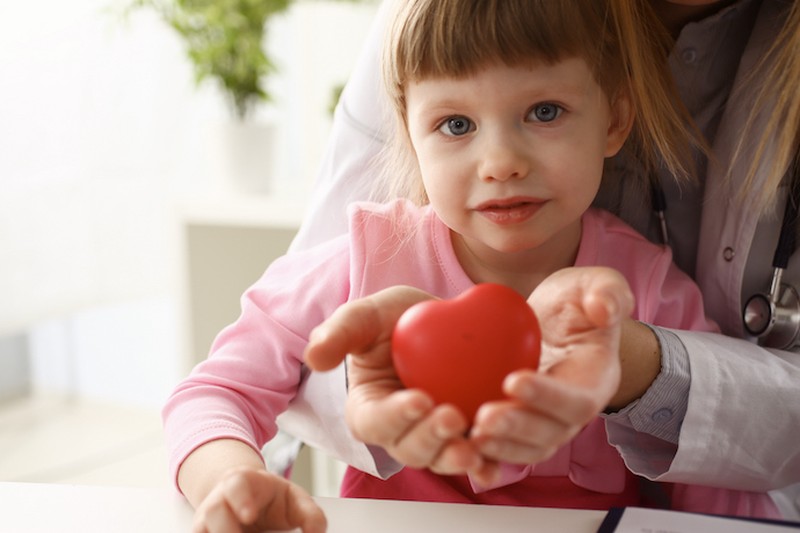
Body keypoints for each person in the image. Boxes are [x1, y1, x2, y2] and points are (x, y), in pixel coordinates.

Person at [163, 1, 788, 530]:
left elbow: (719, 486)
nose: (501, 161)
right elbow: (214, 392)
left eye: (544, 112)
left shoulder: (644, 291)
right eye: (456, 124)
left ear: (615, 120)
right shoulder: (363, 257)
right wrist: (236, 480)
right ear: (408, 134)